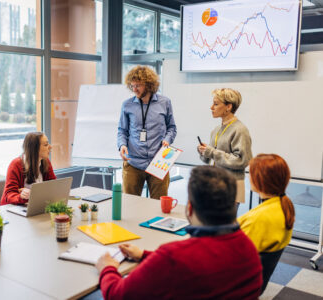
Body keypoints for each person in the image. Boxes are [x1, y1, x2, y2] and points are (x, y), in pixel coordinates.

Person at [95, 166, 262, 299]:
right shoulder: (249, 249)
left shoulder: (173, 257)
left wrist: (107, 268)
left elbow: (117, 294)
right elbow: (193, 264)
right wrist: (145, 255)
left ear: (189, 208)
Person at [117, 66, 177, 199]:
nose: (134, 89)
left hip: (158, 161)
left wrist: (168, 139)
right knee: (130, 204)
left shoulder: (164, 102)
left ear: (149, 85)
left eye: (138, 85)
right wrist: (122, 145)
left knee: (158, 205)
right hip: (133, 162)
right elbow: (122, 130)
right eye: (132, 86)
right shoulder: (127, 105)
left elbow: (172, 128)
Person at [197, 88, 252, 204]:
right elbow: (211, 159)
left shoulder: (240, 130)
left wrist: (211, 152)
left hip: (231, 186)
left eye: (216, 104)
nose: (211, 107)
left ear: (228, 107)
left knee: (222, 222)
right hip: (216, 183)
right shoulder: (216, 129)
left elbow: (242, 160)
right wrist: (204, 151)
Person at [238, 154, 295, 253]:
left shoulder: (258, 219)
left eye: (251, 173)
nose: (248, 176)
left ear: (260, 179)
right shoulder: (284, 207)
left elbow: (233, 254)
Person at [0, 132, 56, 205]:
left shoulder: (45, 162)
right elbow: (9, 195)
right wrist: (21, 196)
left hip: (35, 205)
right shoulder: (16, 164)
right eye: (46, 145)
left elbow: (53, 187)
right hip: (14, 208)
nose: (50, 147)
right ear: (34, 149)